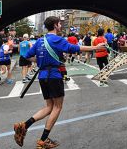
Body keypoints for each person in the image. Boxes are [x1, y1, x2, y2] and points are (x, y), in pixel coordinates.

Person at [13, 16, 106, 148]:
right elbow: (76, 49)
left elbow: (27, 57)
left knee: (49, 107)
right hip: (54, 76)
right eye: (59, 24)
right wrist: (95, 47)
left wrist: (41, 61)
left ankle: (24, 125)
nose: (61, 26)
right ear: (56, 25)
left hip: (42, 76)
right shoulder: (57, 40)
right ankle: (43, 139)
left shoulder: (40, 41)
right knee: (57, 107)